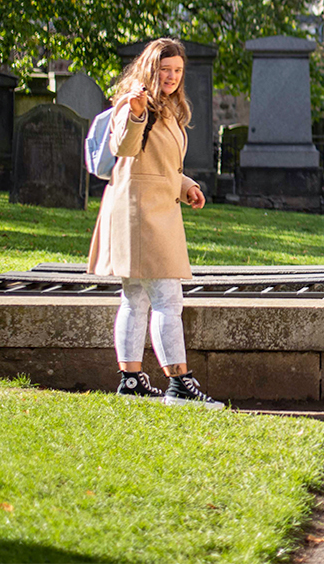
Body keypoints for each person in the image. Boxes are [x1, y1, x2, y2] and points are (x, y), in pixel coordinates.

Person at [87, 37, 219, 408]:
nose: (172, 77)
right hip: (140, 213)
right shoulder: (133, 103)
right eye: (165, 70)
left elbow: (160, 166)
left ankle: (131, 382)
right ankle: (179, 384)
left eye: (177, 70)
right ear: (150, 69)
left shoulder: (170, 108)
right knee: (167, 298)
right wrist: (135, 114)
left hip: (151, 209)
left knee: (136, 297)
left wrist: (187, 186)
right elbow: (124, 149)